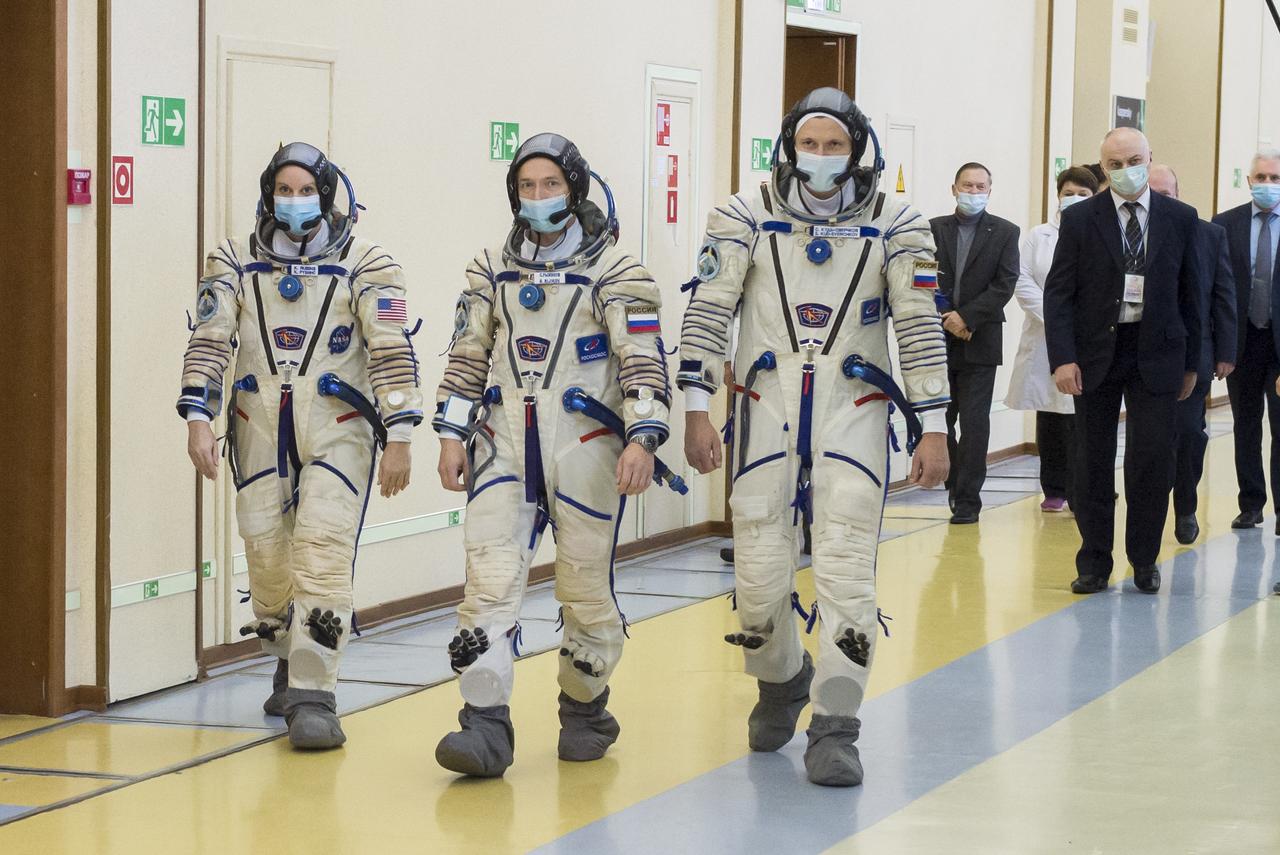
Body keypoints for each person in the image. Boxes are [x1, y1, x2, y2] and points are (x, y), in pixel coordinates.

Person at [679, 87, 949, 787]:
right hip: (765, 409)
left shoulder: (898, 223)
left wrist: (935, 426)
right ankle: (781, 679)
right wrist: (696, 407)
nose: (821, 157)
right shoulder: (744, 216)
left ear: (858, 148)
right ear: (788, 146)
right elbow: (708, 312)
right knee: (759, 578)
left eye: (835, 145)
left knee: (846, 566)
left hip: (852, 410)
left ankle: (835, 723)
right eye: (810, 143)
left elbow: (919, 328)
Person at [431, 133, 674, 778]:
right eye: (526, 187)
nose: (537, 199)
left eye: (551, 186)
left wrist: (644, 437)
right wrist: (452, 433)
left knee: (584, 587)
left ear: (576, 189)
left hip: (586, 446)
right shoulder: (490, 269)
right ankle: (484, 725)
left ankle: (585, 706)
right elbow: (465, 355)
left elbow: (643, 362)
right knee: (487, 579)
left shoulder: (618, 272)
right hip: (504, 442)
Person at [180, 142, 420, 749]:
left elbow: (391, 350)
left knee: (321, 550)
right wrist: (198, 418)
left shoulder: (367, 263)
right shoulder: (234, 261)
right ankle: (285, 656)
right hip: (258, 425)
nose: (293, 202)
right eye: (282, 191)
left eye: (303, 190)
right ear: (268, 196)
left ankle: (315, 695)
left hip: (340, 429)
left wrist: (401, 437)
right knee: (265, 557)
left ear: (328, 194)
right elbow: (211, 340)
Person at [1045, 128, 1201, 595]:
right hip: (1096, 353)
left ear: (1149, 157)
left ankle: (1144, 559)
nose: (1125, 170)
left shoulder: (1180, 217)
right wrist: (1063, 357)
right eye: (1114, 164)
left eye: (1133, 160)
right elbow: (1059, 294)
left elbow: (1192, 293)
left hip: (1158, 351)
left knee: (1151, 461)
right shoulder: (1081, 220)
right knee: (1091, 460)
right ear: (1103, 168)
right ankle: (1094, 560)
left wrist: (1194, 363)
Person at [1146, 164, 1236, 544]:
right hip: (1145, 358)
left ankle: (1185, 505)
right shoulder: (1131, 237)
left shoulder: (1208, 235)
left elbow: (1222, 294)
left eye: (1166, 194)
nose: (1160, 201)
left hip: (1192, 355)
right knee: (1150, 442)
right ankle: (1149, 513)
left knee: (1187, 433)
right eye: (1154, 194)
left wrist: (1226, 351)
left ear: (1178, 195)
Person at [929, 164, 1019, 524]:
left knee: (975, 420)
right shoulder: (932, 229)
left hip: (980, 339)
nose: (974, 191)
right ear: (954, 188)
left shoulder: (1005, 232)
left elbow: (1005, 283)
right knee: (941, 418)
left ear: (990, 191)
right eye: (967, 185)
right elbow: (922, 277)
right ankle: (953, 482)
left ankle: (968, 499)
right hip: (938, 339)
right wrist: (946, 315)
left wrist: (966, 318)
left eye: (981, 186)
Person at [1005, 166, 1099, 511]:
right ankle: (1054, 488)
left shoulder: (1099, 233)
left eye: (1083, 193)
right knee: (1049, 414)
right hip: (1046, 335)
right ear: (1058, 195)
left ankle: (1081, 487)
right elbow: (1022, 279)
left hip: (1086, 336)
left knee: (1079, 415)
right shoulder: (1039, 235)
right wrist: (1056, 316)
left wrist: (1077, 320)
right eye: (1068, 192)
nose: (1074, 199)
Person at [1215, 149, 1280, 532]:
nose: (1268, 185)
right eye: (1262, 177)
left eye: (1275, 178)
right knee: (1246, 424)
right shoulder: (1226, 225)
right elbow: (1216, 288)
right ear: (1249, 180)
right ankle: (1251, 503)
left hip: (1279, 341)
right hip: (1242, 341)